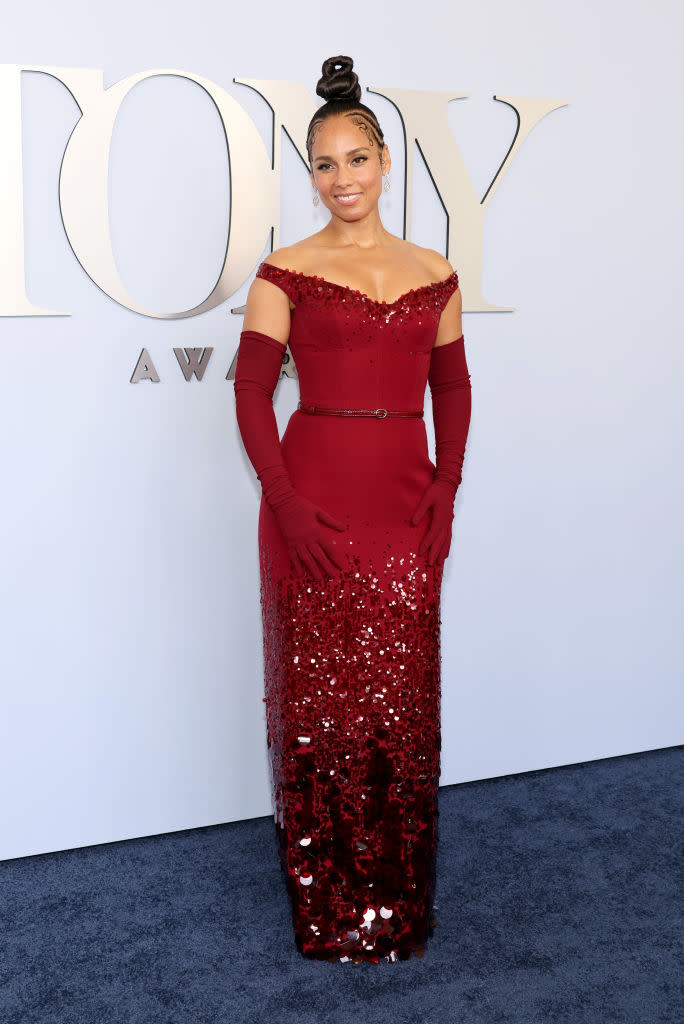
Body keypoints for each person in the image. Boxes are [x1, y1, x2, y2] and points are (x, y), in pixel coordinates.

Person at [233, 55, 471, 964]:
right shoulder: (284, 271)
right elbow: (253, 396)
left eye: (357, 160)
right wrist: (285, 504)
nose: (343, 181)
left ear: (385, 161)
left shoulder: (433, 271)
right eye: (325, 166)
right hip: (312, 509)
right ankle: (328, 906)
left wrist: (447, 487)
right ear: (312, 175)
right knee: (318, 706)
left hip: (405, 508)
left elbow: (453, 387)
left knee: (400, 704)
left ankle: (398, 902)